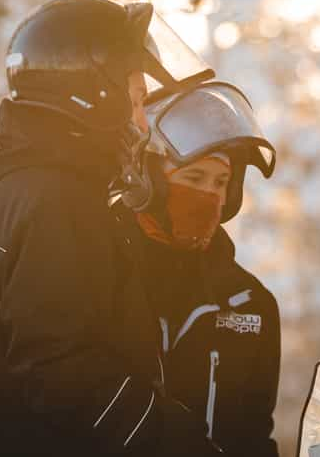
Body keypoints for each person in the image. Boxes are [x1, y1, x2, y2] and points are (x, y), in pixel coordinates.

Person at [0, 0, 236, 457]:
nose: (142, 122)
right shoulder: (57, 204)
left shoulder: (1, 209)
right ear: (94, 95)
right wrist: (181, 445)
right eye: (137, 99)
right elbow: (64, 373)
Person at [111, 81, 280, 456]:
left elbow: (254, 436)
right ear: (148, 180)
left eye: (221, 182)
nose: (211, 196)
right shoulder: (98, 274)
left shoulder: (252, 303)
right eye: (193, 178)